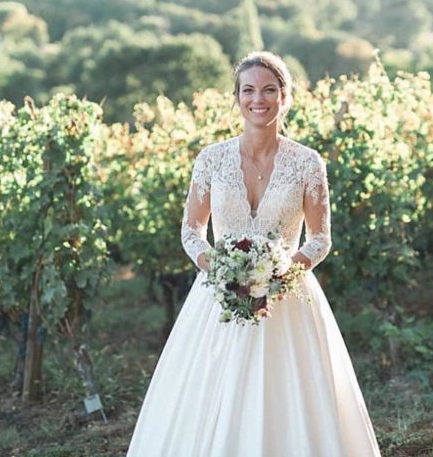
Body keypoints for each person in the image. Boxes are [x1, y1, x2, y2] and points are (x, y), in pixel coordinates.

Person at [126, 51, 382, 456]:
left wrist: (279, 274)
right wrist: (223, 273)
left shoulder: (307, 163)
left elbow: (319, 238)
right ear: (237, 97)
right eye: (248, 90)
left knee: (287, 397)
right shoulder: (211, 159)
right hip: (219, 295)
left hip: (286, 298)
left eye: (268, 90)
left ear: (285, 96)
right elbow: (192, 231)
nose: (257, 99)